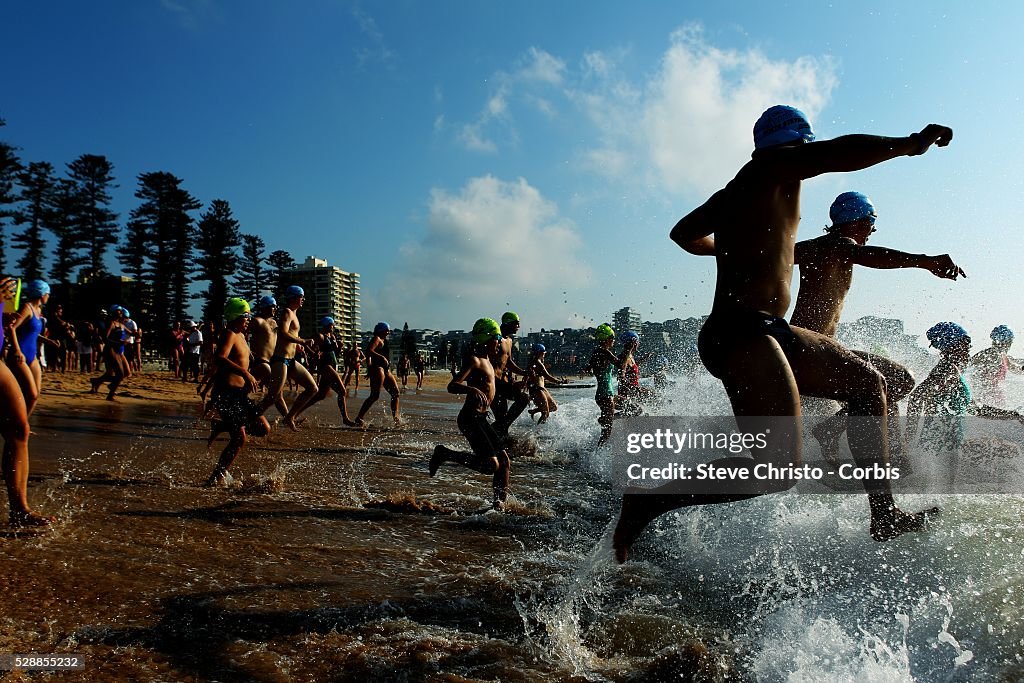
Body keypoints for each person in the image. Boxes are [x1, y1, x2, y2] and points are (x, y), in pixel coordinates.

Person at [612, 105, 953, 563]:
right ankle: (648, 500)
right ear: (797, 143)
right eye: (807, 150)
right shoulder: (775, 167)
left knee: (868, 383)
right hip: (742, 333)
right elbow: (841, 153)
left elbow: (683, 233)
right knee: (775, 470)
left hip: (768, 330)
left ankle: (884, 512)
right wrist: (912, 143)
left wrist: (735, 249)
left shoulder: (739, 189)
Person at [791, 191, 966, 463]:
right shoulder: (840, 245)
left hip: (810, 346)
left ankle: (896, 459)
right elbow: (869, 255)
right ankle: (829, 431)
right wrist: (924, 261)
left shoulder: (811, 247)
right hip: (812, 350)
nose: (873, 229)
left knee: (885, 394)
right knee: (899, 380)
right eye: (872, 222)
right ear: (861, 221)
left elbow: (768, 256)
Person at [907, 323, 1024, 489]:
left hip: (949, 443)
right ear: (951, 346)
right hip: (939, 443)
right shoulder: (948, 369)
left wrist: (1013, 415)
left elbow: (978, 409)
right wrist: (909, 436)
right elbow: (917, 397)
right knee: (943, 490)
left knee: (945, 489)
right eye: (965, 342)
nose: (970, 346)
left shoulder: (954, 372)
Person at [429, 318, 511, 510]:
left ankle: (499, 505)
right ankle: (444, 453)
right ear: (486, 338)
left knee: (505, 461)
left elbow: (492, 386)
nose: (499, 342)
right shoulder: (475, 360)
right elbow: (452, 386)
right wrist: (471, 390)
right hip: (470, 418)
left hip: (481, 418)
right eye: (496, 337)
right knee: (491, 465)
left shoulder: (490, 362)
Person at [1, 276, 55, 528]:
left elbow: (8, 324)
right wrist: (16, 348)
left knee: (19, 430)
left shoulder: (14, 299)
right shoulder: (25, 306)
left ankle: (20, 511)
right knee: (19, 424)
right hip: (16, 356)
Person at [204, 298, 271, 486]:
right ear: (234, 317)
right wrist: (245, 373)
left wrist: (255, 376)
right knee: (240, 438)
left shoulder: (241, 336)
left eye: (249, 315)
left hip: (239, 394)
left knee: (262, 428)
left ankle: (221, 426)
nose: (248, 319)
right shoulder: (229, 334)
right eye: (245, 316)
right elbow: (220, 358)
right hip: (227, 393)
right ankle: (215, 478)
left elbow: (244, 360)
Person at [259, 286, 319, 431]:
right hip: (280, 360)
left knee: (312, 388)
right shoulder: (287, 312)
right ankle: (248, 417)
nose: (303, 299)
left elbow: (292, 336)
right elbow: (283, 333)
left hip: (291, 360)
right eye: (301, 296)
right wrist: (302, 341)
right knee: (272, 397)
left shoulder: (294, 314)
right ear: (293, 298)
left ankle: (289, 417)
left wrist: (306, 348)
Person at [287, 317, 357, 427]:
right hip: (325, 366)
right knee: (342, 391)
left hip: (332, 365)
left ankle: (293, 415)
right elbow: (307, 345)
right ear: (327, 325)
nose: (333, 326)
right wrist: (314, 354)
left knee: (319, 396)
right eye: (332, 324)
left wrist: (339, 347)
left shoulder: (332, 336)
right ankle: (345, 419)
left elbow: (335, 354)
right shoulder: (320, 336)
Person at [6, 279, 50, 416]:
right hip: (20, 355)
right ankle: (16, 424)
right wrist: (18, 350)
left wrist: (50, 341)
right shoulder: (27, 308)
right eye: (47, 293)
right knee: (30, 393)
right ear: (41, 293)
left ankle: (23, 424)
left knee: (35, 395)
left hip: (33, 356)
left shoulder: (39, 310)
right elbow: (11, 328)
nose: (48, 296)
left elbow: (33, 334)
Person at [249, 296, 290, 420]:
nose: (275, 309)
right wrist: (248, 353)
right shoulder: (257, 321)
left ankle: (288, 419)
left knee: (278, 394)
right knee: (275, 393)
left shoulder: (274, 323)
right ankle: (251, 416)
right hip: (260, 361)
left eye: (276, 306)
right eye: (273, 306)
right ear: (265, 307)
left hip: (272, 362)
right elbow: (244, 336)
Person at [354, 322, 402, 426]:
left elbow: (369, 355)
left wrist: (369, 367)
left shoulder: (384, 340)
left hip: (385, 370)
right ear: (381, 330)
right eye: (387, 330)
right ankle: (359, 417)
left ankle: (396, 419)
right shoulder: (377, 339)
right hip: (378, 369)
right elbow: (369, 351)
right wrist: (380, 358)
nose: (388, 332)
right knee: (374, 395)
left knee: (396, 393)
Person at [491, 311, 531, 436]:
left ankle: (498, 434)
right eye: (516, 324)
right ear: (507, 323)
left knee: (504, 417)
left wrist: (523, 372)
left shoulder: (509, 340)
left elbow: (508, 362)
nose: (518, 327)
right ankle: (497, 432)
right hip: (493, 383)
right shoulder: (496, 339)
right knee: (522, 399)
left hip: (503, 382)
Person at [583, 323, 620, 447]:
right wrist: (629, 351)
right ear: (608, 339)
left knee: (633, 409)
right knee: (606, 432)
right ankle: (597, 455)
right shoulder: (604, 352)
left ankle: (604, 420)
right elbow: (620, 364)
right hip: (606, 394)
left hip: (603, 394)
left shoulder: (596, 353)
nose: (614, 341)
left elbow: (587, 368)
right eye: (613, 338)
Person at [968, 325, 1022, 407]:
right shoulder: (987, 355)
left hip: (994, 396)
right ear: (1007, 342)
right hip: (986, 398)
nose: (1011, 344)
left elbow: (1015, 368)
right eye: (1010, 341)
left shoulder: (1000, 355)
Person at [90, 305, 131, 400]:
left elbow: (131, 332)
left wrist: (137, 333)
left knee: (120, 374)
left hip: (117, 350)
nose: (120, 313)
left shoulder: (121, 325)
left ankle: (97, 382)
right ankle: (110, 394)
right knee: (120, 374)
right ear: (113, 313)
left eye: (121, 312)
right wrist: (119, 342)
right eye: (118, 311)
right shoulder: (111, 324)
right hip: (110, 350)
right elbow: (105, 338)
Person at [525, 343, 565, 423]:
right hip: (537, 390)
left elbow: (538, 376)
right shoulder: (537, 363)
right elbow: (547, 376)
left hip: (541, 389)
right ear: (540, 352)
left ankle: (534, 411)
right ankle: (538, 430)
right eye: (544, 352)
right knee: (545, 413)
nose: (545, 354)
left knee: (553, 407)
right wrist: (559, 382)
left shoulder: (536, 362)